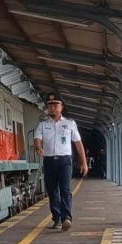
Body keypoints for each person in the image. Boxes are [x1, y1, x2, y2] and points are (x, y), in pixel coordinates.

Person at [34, 93, 88, 231]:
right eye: (50, 105)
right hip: (49, 161)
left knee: (65, 189)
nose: (52, 108)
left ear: (61, 107)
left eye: (55, 105)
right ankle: (57, 218)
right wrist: (39, 147)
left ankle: (66, 218)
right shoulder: (42, 125)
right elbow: (37, 139)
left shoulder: (69, 124)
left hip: (65, 161)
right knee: (52, 191)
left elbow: (78, 143)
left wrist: (84, 162)